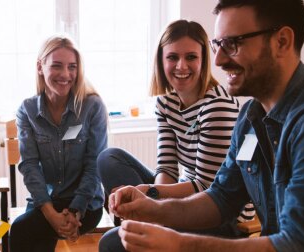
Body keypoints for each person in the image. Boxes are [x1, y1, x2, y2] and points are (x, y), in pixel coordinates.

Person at [109, 0, 304, 251]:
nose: (219, 60)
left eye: (233, 44)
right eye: (218, 45)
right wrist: (153, 207)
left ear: (282, 41)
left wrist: (179, 245)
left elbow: (300, 246)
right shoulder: (251, 117)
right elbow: (220, 199)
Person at [97, 20, 254, 251]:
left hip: (220, 211)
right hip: (185, 196)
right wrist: (154, 204)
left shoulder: (217, 105)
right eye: (172, 57)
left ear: (203, 60)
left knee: (112, 242)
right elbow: (167, 169)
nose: (181, 66)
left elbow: (207, 187)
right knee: (109, 159)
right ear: (161, 61)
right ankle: (146, 226)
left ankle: (145, 228)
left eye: (191, 57)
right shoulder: (165, 103)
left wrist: (151, 197)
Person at [9, 35, 107, 251]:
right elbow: (30, 166)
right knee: (25, 230)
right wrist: (51, 213)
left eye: (72, 67)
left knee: (24, 231)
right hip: (47, 201)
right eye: (57, 66)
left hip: (86, 202)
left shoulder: (92, 107)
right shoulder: (27, 110)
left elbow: (94, 165)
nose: (65, 74)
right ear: (40, 67)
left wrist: (75, 211)